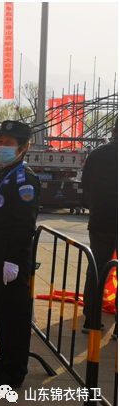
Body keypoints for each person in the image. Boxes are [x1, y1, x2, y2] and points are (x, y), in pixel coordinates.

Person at [0, 120, 40, 389]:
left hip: (12, 258)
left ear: (23, 147)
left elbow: (24, 226)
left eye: (8, 144)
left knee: (14, 315)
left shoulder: (25, 179)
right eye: (0, 142)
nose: (2, 147)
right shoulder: (6, 173)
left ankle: (14, 372)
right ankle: (4, 359)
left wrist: (12, 260)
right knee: (1, 310)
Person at [81, 117, 118, 336]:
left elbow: (85, 184)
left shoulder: (97, 153)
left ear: (114, 130)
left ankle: (91, 319)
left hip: (100, 221)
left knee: (96, 268)